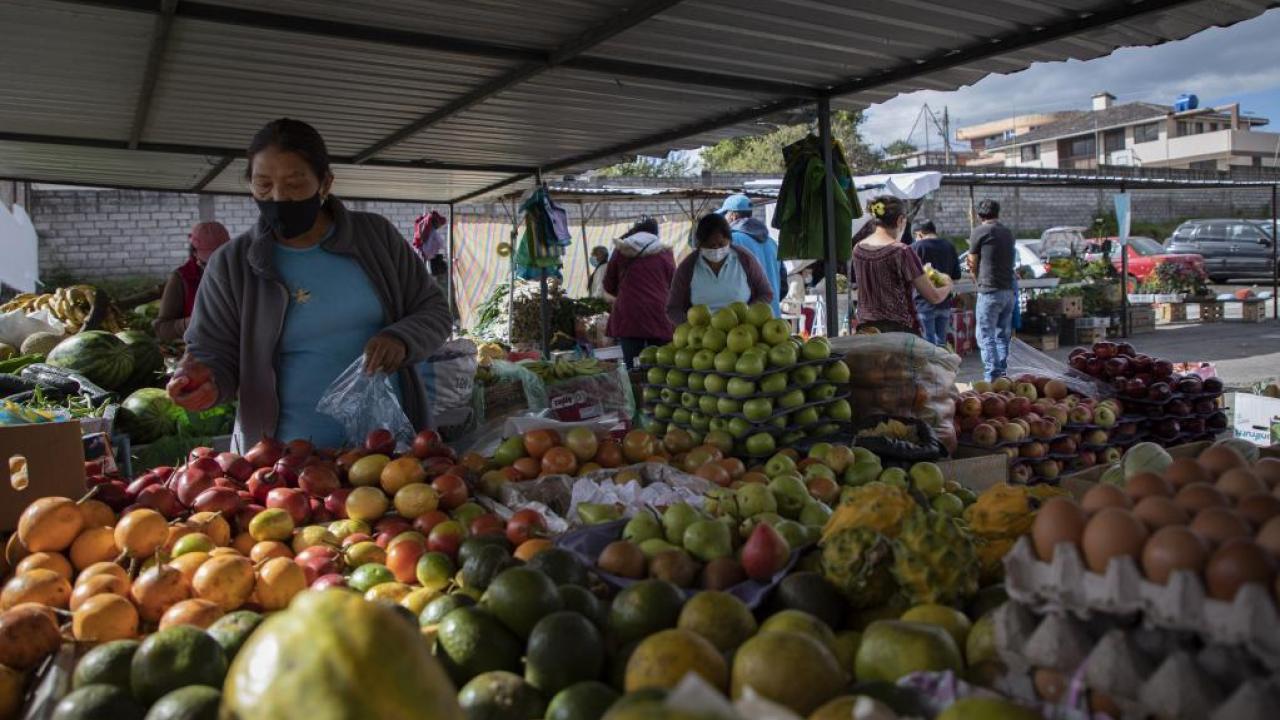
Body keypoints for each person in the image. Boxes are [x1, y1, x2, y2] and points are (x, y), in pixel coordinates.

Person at [168, 118, 453, 450]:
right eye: (263, 185)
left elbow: (434, 311)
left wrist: (401, 339)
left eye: (294, 184)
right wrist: (206, 383)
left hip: (391, 448)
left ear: (325, 183)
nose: (278, 197)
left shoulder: (375, 238)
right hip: (282, 461)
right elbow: (212, 350)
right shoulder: (231, 264)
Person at [851, 196, 950, 334]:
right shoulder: (901, 251)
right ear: (900, 220)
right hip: (899, 332)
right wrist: (948, 285)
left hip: (867, 330)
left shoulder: (858, 249)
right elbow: (933, 297)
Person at [667, 214, 774, 326]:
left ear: (729, 240)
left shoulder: (744, 259)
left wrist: (749, 315)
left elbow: (766, 293)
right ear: (700, 244)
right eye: (710, 245)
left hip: (742, 331)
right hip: (703, 336)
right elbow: (673, 309)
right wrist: (689, 326)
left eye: (721, 244)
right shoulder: (688, 267)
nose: (716, 249)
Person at [603, 220, 674, 368]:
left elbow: (608, 285)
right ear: (655, 234)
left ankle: (635, 389)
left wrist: (627, 291)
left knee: (632, 365)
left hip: (629, 313)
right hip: (659, 313)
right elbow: (673, 283)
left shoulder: (621, 250)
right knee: (662, 364)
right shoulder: (665, 252)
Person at [154, 222, 232, 341]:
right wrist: (193, 322)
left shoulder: (238, 274)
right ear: (194, 253)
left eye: (222, 260)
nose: (216, 268)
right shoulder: (182, 279)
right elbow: (161, 329)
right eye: (208, 263)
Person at [967, 198, 1017, 381]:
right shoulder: (1007, 232)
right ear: (998, 213)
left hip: (989, 291)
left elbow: (972, 261)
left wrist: (975, 279)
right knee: (1002, 336)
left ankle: (992, 376)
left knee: (985, 335)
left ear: (979, 215)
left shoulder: (979, 231)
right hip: (1008, 291)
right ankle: (1004, 375)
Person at [717, 194, 783, 317]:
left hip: (743, 323)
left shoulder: (730, 241)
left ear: (732, 216)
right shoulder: (772, 243)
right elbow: (783, 285)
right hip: (772, 318)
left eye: (724, 216)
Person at [909, 219, 962, 346]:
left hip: (923, 302)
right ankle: (942, 365)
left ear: (919, 234)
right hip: (944, 302)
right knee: (941, 342)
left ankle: (932, 365)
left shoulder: (915, 248)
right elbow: (957, 275)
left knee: (928, 342)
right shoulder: (949, 246)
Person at [413, 210, 449, 279]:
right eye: (439, 224)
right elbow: (441, 243)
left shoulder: (425, 229)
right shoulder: (431, 232)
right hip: (425, 252)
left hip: (422, 252)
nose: (440, 226)